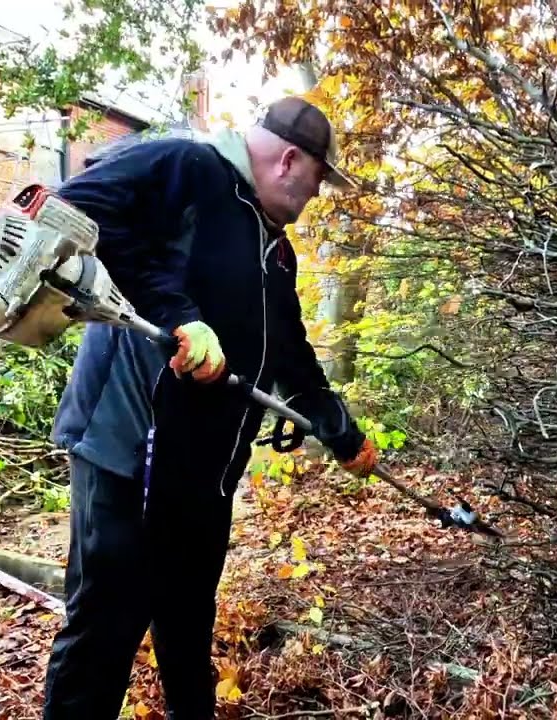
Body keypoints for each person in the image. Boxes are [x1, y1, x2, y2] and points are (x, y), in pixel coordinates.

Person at [40, 96, 380, 719]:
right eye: (317, 179)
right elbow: (75, 208)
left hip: (205, 475)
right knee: (105, 629)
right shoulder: (188, 167)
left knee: (187, 623)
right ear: (289, 160)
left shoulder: (275, 251)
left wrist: (337, 426)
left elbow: (288, 348)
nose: (316, 194)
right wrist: (178, 315)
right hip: (128, 450)